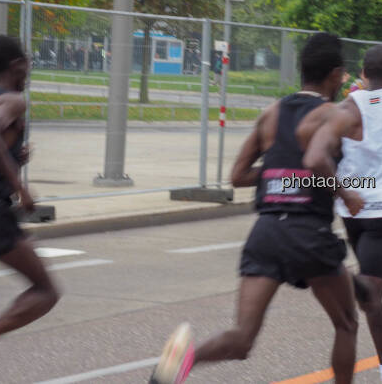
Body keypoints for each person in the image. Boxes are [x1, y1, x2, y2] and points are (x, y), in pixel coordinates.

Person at [150, 33, 364, 384]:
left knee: (242, 338)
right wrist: (348, 193)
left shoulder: (271, 113)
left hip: (266, 232)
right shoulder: (333, 114)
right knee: (347, 323)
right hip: (308, 232)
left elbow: (238, 176)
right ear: (337, 74)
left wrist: (282, 173)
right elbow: (315, 161)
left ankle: (184, 361)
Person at [304, 45, 382, 384]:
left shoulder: (344, 108)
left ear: (363, 72)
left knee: (370, 295)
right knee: (372, 292)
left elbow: (325, 156)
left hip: (351, 205)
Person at [0, 35, 60, 383]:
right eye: (27, 63)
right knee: (45, 291)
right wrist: (20, 188)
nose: (29, 70)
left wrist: (13, 157)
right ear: (17, 65)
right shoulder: (15, 99)